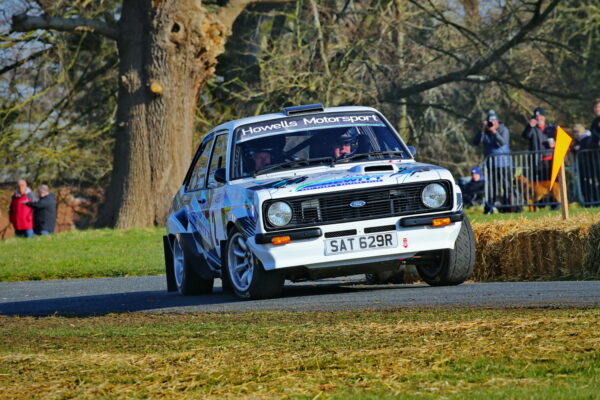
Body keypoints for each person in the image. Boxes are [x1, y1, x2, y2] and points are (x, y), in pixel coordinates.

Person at [473, 110, 511, 214]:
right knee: (492, 188)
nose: (492, 123)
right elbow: (476, 142)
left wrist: (494, 131)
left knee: (506, 186)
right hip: (491, 165)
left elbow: (502, 143)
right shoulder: (485, 131)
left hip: (504, 164)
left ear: (497, 121)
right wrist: (482, 130)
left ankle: (509, 207)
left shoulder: (504, 130)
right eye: (490, 121)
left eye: (494, 121)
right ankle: (490, 208)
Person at [521, 107, 556, 182]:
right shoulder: (532, 129)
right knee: (539, 184)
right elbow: (525, 136)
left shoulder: (551, 128)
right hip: (537, 161)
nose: (538, 118)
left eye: (540, 116)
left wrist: (555, 144)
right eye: (536, 117)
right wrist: (529, 126)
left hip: (550, 160)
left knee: (551, 183)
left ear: (544, 117)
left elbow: (559, 141)